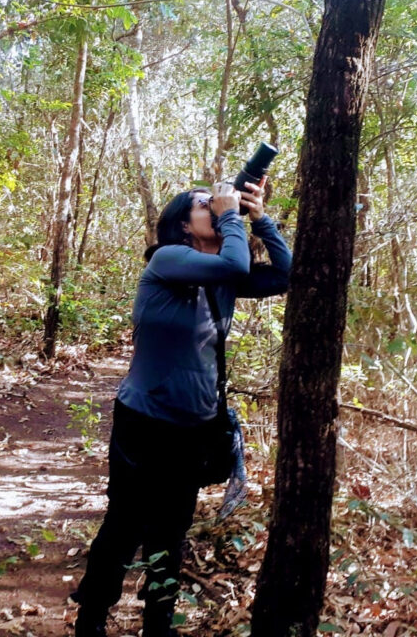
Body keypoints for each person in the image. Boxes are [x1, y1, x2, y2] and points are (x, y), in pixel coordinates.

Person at [72, 179, 291, 637]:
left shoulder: (223, 275)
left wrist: (259, 216)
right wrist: (231, 214)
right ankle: (91, 618)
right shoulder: (167, 259)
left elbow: (288, 274)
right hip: (144, 423)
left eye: (213, 203)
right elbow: (234, 260)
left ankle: (158, 624)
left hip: (194, 427)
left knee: (171, 532)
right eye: (202, 205)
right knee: (125, 525)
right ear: (182, 226)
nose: (213, 208)